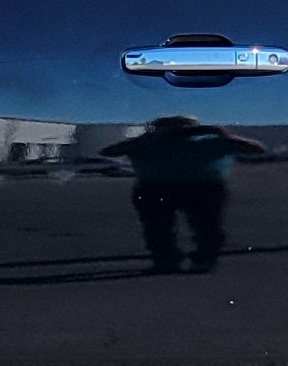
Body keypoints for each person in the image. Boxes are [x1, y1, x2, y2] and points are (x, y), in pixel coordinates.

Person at [105, 113, 264, 275]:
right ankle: (167, 260)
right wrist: (148, 136)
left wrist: (223, 134)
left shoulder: (210, 142)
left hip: (201, 188)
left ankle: (202, 258)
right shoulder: (148, 143)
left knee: (205, 227)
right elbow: (110, 151)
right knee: (158, 228)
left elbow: (257, 149)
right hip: (156, 188)